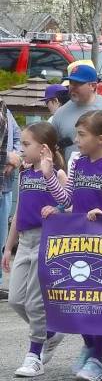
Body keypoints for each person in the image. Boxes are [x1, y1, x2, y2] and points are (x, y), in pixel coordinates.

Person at [42, 110, 102, 381]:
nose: (76, 139)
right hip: (77, 240)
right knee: (78, 299)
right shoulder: (77, 162)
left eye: (81, 135)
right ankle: (89, 345)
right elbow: (68, 198)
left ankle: (98, 357)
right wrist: (50, 176)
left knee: (99, 301)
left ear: (101, 139)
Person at [1, 122, 66, 377]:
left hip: (46, 241)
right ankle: (51, 332)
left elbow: (68, 204)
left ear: (43, 148)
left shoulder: (57, 174)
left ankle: (34, 354)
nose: (22, 149)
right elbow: (18, 214)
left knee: (35, 302)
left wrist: (58, 210)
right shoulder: (26, 174)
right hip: (24, 242)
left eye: (27, 144)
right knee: (16, 300)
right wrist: (8, 247)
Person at [0, 109, 21, 296]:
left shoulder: (5, 110)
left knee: (1, 236)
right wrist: (5, 157)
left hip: (3, 186)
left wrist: (15, 159)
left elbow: (19, 139)